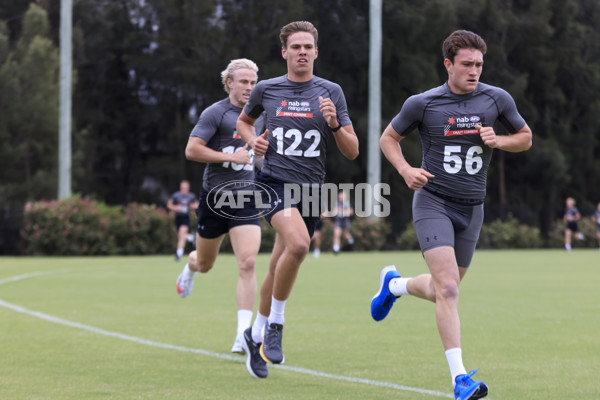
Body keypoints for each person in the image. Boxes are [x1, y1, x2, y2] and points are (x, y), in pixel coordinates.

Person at [372, 30, 532, 400]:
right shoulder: (423, 103)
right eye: (466, 64)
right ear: (448, 64)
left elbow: (525, 136)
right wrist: (406, 170)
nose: (474, 71)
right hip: (434, 202)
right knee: (446, 289)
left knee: (445, 289)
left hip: (472, 208)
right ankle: (461, 379)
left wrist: (500, 141)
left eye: (479, 64)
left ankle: (394, 286)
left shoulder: (497, 99)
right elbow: (387, 138)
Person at [236, 21, 359, 379]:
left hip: (311, 191)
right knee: (301, 245)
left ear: (316, 52)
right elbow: (245, 123)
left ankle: (254, 334)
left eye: (308, 46)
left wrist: (335, 125)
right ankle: (276, 324)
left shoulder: (331, 91)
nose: (302, 52)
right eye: (296, 47)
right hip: (273, 183)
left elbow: (352, 151)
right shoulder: (267, 89)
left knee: (278, 266)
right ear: (284, 52)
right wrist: (253, 140)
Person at [175, 58, 264, 355]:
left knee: (248, 262)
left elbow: (261, 154)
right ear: (229, 83)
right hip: (214, 197)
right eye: (243, 82)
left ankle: (243, 335)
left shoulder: (261, 115)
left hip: (245, 197)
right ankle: (190, 266)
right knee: (205, 264)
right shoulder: (216, 113)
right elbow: (192, 150)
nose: (249, 88)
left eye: (253, 83)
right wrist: (230, 158)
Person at [167, 180, 199, 261]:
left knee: (181, 235)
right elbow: (169, 204)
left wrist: (192, 206)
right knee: (180, 236)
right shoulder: (176, 195)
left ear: (188, 188)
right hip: (178, 218)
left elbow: (197, 205)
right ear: (180, 188)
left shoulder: (191, 196)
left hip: (186, 218)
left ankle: (179, 254)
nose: (184, 189)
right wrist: (175, 208)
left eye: (186, 187)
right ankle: (191, 237)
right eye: (183, 187)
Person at [332, 190, 354, 254]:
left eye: (342, 196)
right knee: (336, 235)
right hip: (339, 221)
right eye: (340, 196)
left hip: (345, 221)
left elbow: (351, 212)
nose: (340, 197)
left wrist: (343, 212)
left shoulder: (347, 204)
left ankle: (351, 240)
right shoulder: (337, 203)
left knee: (345, 234)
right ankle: (336, 249)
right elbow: (334, 213)